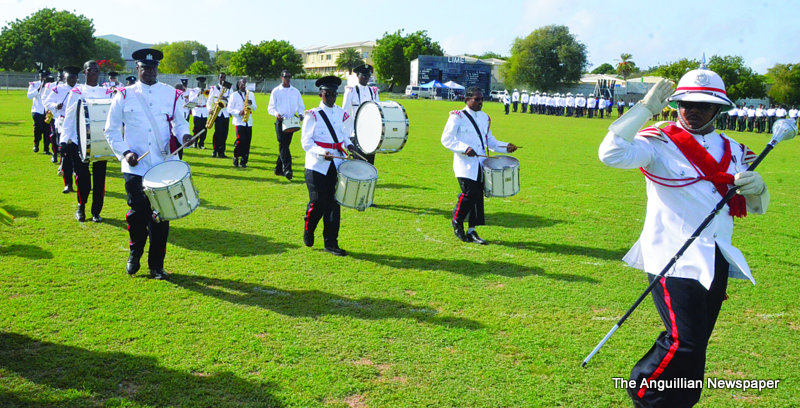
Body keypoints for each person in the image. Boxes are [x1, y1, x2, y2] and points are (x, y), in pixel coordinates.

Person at [598, 69, 770, 408]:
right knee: (684, 341)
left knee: (697, 342)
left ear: (718, 109)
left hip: (716, 255)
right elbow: (611, 154)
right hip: (671, 256)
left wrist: (759, 188)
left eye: (703, 106)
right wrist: (645, 109)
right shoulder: (658, 141)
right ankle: (645, 392)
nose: (692, 111)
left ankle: (680, 401)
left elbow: (757, 207)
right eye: (686, 103)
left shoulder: (735, 150)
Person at [104, 48, 192, 280]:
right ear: (137, 68)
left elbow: (180, 124)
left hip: (163, 164)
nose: (150, 72)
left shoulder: (171, 94)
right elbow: (111, 130)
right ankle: (135, 254)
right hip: (136, 166)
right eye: (145, 68)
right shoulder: (124, 95)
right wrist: (125, 152)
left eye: (153, 68)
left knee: (161, 217)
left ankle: (157, 266)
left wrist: (185, 136)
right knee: (137, 215)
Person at [441, 87, 518, 245]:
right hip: (465, 165)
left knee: (477, 197)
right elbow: (446, 139)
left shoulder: (484, 118)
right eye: (477, 99)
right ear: (467, 99)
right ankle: (457, 221)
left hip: (481, 164)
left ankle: (472, 230)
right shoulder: (457, 117)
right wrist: (464, 148)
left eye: (482, 99)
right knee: (469, 194)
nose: (480, 102)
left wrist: (506, 146)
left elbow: (490, 141)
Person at [300, 76, 353, 256]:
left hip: (337, 163)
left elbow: (343, 135)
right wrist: (322, 152)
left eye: (333, 94)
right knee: (318, 202)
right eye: (327, 94)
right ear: (320, 94)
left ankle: (331, 243)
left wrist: (350, 145)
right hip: (316, 165)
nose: (331, 98)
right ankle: (309, 227)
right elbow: (306, 142)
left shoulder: (340, 113)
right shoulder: (313, 114)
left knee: (333, 204)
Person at [61, 60, 112, 222]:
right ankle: (81, 206)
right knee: (82, 177)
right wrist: (64, 140)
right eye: (90, 70)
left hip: (101, 141)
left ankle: (96, 211)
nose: (93, 73)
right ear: (84, 72)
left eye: (96, 70)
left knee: (100, 179)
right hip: (80, 140)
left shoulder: (106, 91)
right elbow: (69, 116)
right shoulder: (77, 91)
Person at [45, 67, 80, 193]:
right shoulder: (58, 89)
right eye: (70, 78)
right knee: (65, 154)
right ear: (65, 78)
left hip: (77, 125)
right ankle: (68, 184)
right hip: (63, 124)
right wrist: (56, 105)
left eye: (74, 78)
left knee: (78, 156)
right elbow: (47, 102)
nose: (72, 80)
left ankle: (80, 182)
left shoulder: (81, 89)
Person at [268, 69, 305, 180]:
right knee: (283, 144)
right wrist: (276, 114)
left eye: (289, 77)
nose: (287, 79)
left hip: (291, 121)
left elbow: (301, 106)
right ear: (281, 78)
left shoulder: (295, 91)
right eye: (285, 77)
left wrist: (301, 114)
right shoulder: (276, 91)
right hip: (280, 121)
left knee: (285, 146)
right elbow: (270, 107)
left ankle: (278, 169)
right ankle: (287, 169)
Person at [342, 64, 380, 165]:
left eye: (368, 76)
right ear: (358, 76)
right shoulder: (351, 91)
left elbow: (377, 113)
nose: (366, 78)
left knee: (369, 162)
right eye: (363, 76)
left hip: (370, 133)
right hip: (356, 133)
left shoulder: (373, 91)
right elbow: (345, 114)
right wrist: (347, 135)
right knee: (358, 162)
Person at [227, 78, 257, 168]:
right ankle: (236, 156)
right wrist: (238, 112)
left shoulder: (251, 94)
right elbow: (229, 109)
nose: (244, 85)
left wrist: (251, 104)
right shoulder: (234, 95)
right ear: (238, 85)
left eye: (245, 84)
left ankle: (244, 161)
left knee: (247, 141)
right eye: (242, 84)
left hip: (248, 121)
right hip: (239, 121)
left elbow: (255, 108)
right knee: (240, 140)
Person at [27, 69, 53, 155]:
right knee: (38, 129)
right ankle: (36, 144)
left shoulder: (51, 86)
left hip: (47, 111)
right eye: (42, 77)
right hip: (37, 110)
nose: (44, 78)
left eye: (45, 77)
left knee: (47, 130)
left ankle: (46, 148)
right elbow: (29, 96)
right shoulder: (34, 84)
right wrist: (38, 89)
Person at [207, 72, 231, 158]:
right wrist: (209, 109)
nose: (222, 79)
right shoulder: (214, 88)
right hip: (217, 112)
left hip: (226, 113)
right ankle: (215, 150)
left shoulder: (229, 89)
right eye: (221, 77)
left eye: (224, 77)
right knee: (218, 132)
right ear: (218, 78)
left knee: (224, 133)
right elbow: (209, 100)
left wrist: (226, 100)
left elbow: (232, 100)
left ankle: (222, 152)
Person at [189, 77, 209, 149]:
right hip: (197, 110)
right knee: (196, 127)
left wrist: (204, 93)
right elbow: (191, 100)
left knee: (204, 128)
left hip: (204, 110)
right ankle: (195, 142)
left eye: (203, 82)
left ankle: (201, 143)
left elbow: (207, 100)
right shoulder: (194, 90)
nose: (202, 84)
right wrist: (198, 95)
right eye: (200, 82)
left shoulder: (206, 90)